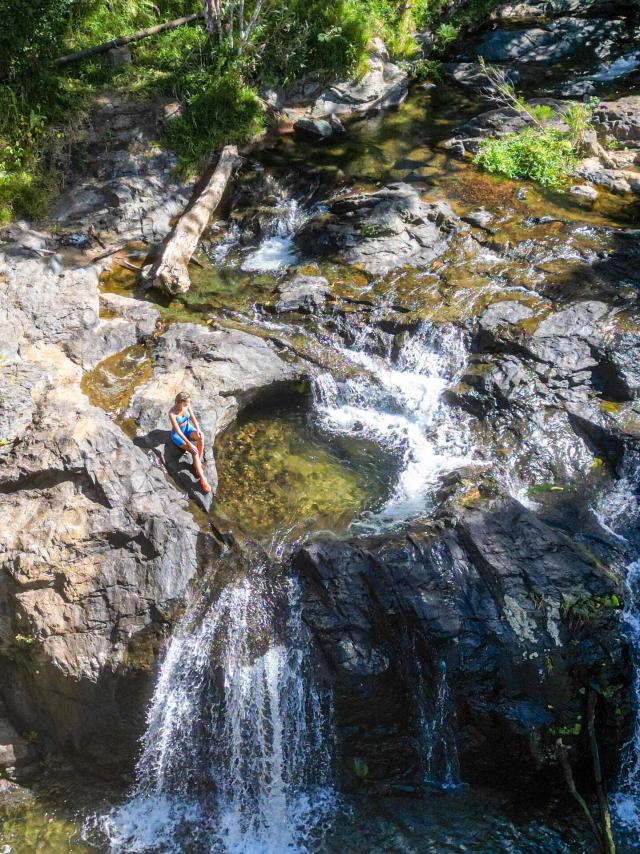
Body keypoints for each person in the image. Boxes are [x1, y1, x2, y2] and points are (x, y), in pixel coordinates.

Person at [168, 391, 211, 494]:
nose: (188, 404)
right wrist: (189, 443)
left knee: (201, 437)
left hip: (187, 429)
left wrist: (198, 429)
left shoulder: (187, 406)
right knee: (194, 451)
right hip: (178, 436)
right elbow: (178, 431)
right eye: (187, 403)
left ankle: (198, 463)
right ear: (181, 402)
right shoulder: (172, 413)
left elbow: (192, 417)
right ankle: (202, 478)